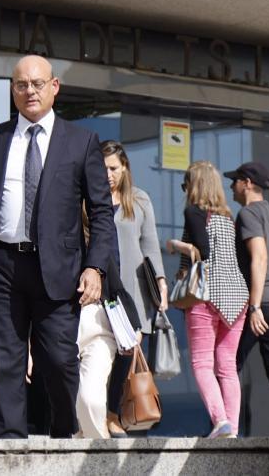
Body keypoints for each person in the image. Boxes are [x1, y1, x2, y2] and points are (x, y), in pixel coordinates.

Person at [0, 55, 116, 439]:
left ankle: (62, 431)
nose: (30, 92)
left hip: (58, 269)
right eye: (21, 85)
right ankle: (10, 447)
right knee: (4, 361)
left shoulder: (81, 142)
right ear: (13, 89)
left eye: (37, 84)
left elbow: (102, 214)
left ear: (54, 87)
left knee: (57, 361)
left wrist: (96, 268)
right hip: (0, 266)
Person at [170, 160, 248, 439]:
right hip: (237, 296)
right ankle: (233, 430)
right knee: (227, 365)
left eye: (186, 183)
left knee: (201, 363)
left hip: (207, 295)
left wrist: (175, 245)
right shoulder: (227, 217)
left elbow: (201, 250)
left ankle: (220, 421)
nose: (185, 189)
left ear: (195, 184)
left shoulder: (194, 212)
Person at [99, 140, 168, 437]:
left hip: (132, 293)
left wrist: (162, 285)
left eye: (114, 168)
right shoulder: (91, 199)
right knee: (101, 355)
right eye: (103, 169)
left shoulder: (139, 200)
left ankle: (118, 415)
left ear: (125, 167)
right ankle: (97, 414)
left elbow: (150, 246)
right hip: (100, 292)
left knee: (128, 357)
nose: (109, 175)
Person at [226, 162, 269, 398]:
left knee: (228, 363)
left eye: (235, 181)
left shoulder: (248, 213)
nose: (231, 187)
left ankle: (226, 428)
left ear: (247, 183)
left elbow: (260, 257)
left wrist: (254, 306)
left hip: (259, 303)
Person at [75, 231, 141, 438]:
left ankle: (102, 461)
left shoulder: (96, 247)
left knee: (91, 401)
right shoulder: (47, 243)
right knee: (70, 412)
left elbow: (116, 288)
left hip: (98, 329)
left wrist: (133, 327)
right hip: (58, 330)